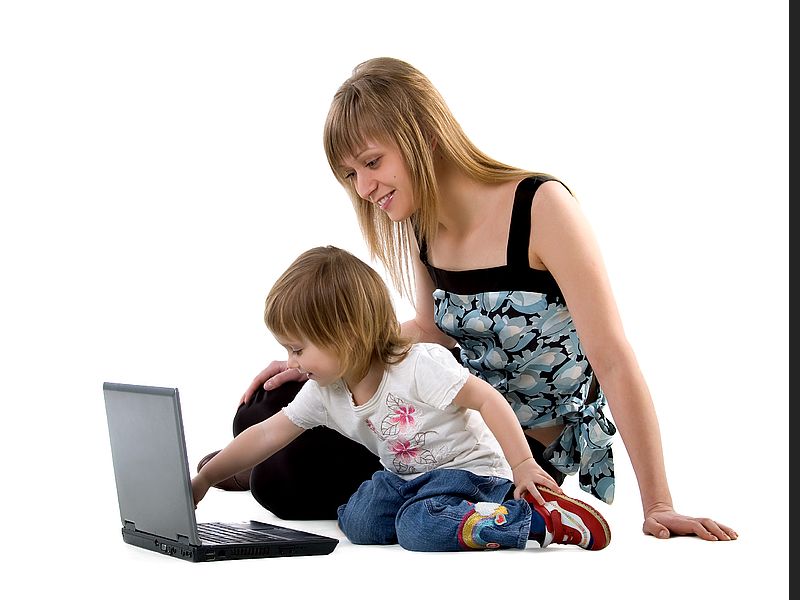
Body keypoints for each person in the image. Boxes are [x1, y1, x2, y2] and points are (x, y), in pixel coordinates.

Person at [208, 57, 737, 542]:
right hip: (439, 415)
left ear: (423, 136)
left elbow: (613, 358)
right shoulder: (419, 222)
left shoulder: (541, 206)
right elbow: (428, 334)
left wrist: (659, 502)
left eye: (372, 163)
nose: (365, 187)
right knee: (266, 408)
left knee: (281, 478)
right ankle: (247, 469)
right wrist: (322, 354)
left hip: (505, 446)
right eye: (351, 175)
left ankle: (264, 476)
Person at [193, 246, 612, 552]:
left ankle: (539, 521)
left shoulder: (417, 366)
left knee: (417, 530)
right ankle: (436, 514)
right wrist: (207, 478)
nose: (291, 362)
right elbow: (267, 434)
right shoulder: (326, 391)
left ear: (346, 334)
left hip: (470, 475)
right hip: (408, 478)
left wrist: (523, 467)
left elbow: (487, 400)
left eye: (298, 350)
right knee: (357, 521)